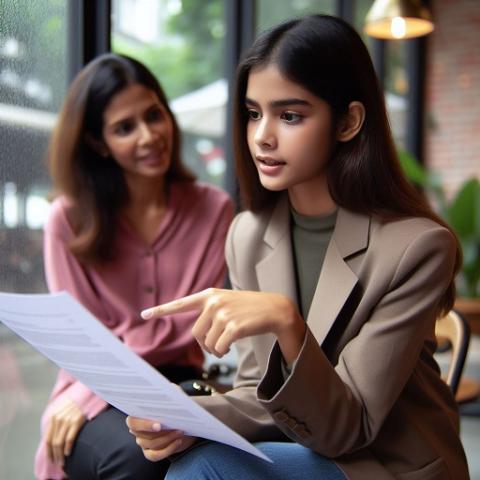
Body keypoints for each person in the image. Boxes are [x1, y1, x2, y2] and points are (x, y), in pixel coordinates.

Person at [126, 14, 470, 480]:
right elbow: (256, 390)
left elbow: (351, 427)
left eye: (290, 115)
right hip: (305, 447)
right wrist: (190, 417)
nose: (262, 136)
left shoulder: (418, 248)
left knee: (206, 468)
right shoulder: (247, 234)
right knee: (183, 455)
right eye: (253, 113)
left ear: (348, 121)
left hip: (385, 466)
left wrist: (288, 324)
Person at [34, 53, 234, 480]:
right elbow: (78, 339)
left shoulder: (214, 209)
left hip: (177, 382)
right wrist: (87, 394)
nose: (149, 136)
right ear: (97, 143)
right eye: (125, 128)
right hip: (88, 390)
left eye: (153, 115)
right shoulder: (66, 220)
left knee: (212, 455)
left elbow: (186, 325)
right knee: (133, 457)